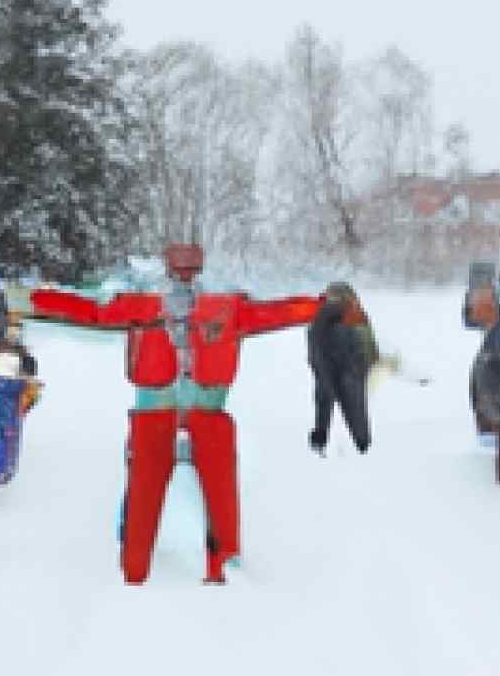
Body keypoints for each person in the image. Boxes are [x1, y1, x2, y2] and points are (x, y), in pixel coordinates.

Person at [29, 243, 320, 584]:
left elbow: (95, 311)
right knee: (181, 493)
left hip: (175, 409)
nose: (184, 274)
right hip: (192, 408)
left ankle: (152, 570)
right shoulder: (219, 306)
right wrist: (321, 306)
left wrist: (38, 299)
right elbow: (275, 313)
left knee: (157, 494)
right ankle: (203, 566)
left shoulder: (162, 304)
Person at [306, 281, 378, 456]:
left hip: (341, 368)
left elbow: (314, 346)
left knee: (327, 403)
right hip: (348, 368)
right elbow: (367, 343)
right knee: (355, 408)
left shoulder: (327, 316)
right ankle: (362, 446)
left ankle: (323, 442)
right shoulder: (354, 314)